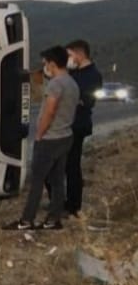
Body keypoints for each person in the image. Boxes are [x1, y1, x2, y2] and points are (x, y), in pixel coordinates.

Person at [4, 46, 80, 231]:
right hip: (65, 136)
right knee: (57, 180)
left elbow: (50, 110)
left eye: (45, 62)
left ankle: (26, 220)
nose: (44, 66)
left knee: (37, 180)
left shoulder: (55, 84)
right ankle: (53, 219)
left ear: (53, 64)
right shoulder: (72, 82)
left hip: (50, 138)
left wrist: (39, 134)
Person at [63, 39, 103, 217]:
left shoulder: (93, 75)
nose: (68, 59)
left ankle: (73, 205)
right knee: (62, 165)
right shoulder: (73, 72)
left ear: (79, 54)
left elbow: (86, 101)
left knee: (72, 165)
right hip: (66, 123)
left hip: (77, 125)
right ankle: (65, 202)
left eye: (70, 55)